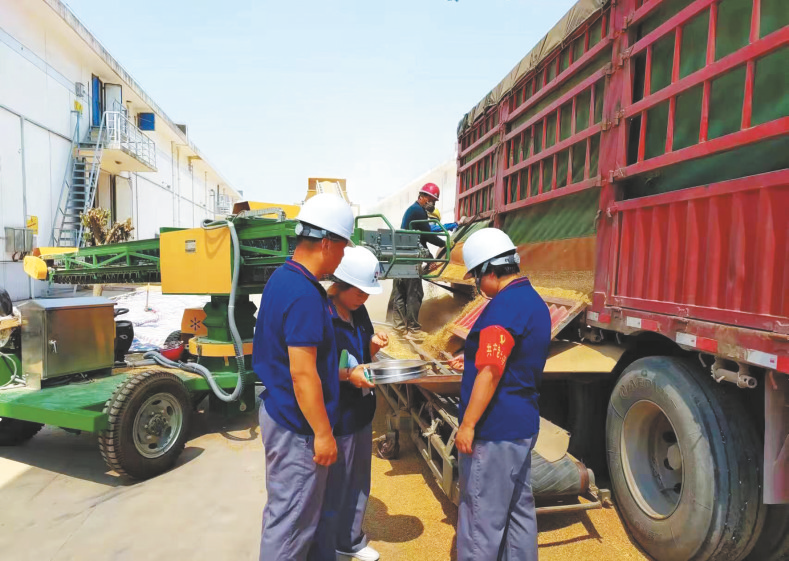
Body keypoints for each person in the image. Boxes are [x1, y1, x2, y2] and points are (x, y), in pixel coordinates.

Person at [254, 193, 355, 561]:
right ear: (326, 243)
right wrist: (323, 434)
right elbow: (302, 373)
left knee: (297, 514)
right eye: (342, 247)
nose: (343, 256)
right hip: (298, 426)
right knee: (291, 524)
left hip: (281, 411)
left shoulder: (283, 278)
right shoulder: (305, 295)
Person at [448, 228, 551, 561]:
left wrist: (467, 425)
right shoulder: (534, 301)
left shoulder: (503, 308)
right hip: (522, 425)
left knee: (481, 518)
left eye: (477, 277)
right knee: (519, 510)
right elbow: (513, 355)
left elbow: (491, 371)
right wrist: (470, 357)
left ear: (490, 271)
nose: (478, 285)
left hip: (495, 431)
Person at [313, 246, 388, 561]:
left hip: (360, 411)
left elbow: (360, 351)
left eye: (368, 292)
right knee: (334, 485)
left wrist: (373, 344)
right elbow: (311, 368)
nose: (364, 298)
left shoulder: (358, 311)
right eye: (359, 292)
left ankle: (350, 540)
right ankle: (325, 546)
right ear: (341, 284)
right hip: (336, 413)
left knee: (358, 481)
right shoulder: (321, 314)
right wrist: (347, 375)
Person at [392, 182, 445, 339]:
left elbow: (419, 239)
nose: (433, 204)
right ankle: (413, 329)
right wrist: (445, 244)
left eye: (434, 201)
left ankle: (399, 328)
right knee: (414, 293)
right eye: (432, 200)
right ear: (423, 197)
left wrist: (429, 258)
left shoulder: (412, 209)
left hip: (400, 255)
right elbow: (427, 236)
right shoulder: (418, 211)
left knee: (400, 293)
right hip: (410, 257)